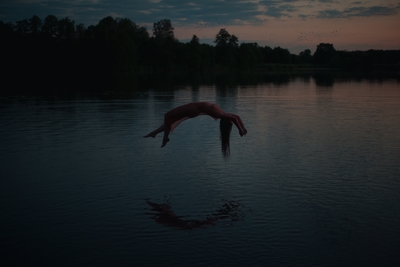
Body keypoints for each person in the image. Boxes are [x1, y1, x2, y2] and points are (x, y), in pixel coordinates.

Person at [143, 102, 247, 157]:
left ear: (225, 120)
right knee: (170, 119)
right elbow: (236, 116)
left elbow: (233, 118)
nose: (230, 115)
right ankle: (154, 133)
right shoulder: (224, 113)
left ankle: (165, 137)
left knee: (167, 115)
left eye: (229, 119)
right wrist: (243, 127)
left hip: (192, 109)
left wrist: (240, 130)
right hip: (193, 109)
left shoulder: (219, 113)